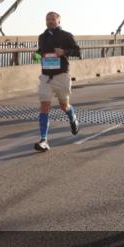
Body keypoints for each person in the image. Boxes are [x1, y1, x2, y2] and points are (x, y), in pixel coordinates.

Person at [34, 11, 82, 152]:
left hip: (61, 76)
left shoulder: (66, 35)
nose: (49, 21)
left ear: (58, 21)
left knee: (64, 106)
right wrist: (36, 56)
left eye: (52, 19)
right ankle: (44, 140)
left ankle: (72, 117)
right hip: (46, 76)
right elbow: (40, 52)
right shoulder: (42, 37)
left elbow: (78, 52)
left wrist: (64, 52)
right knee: (44, 106)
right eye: (47, 19)